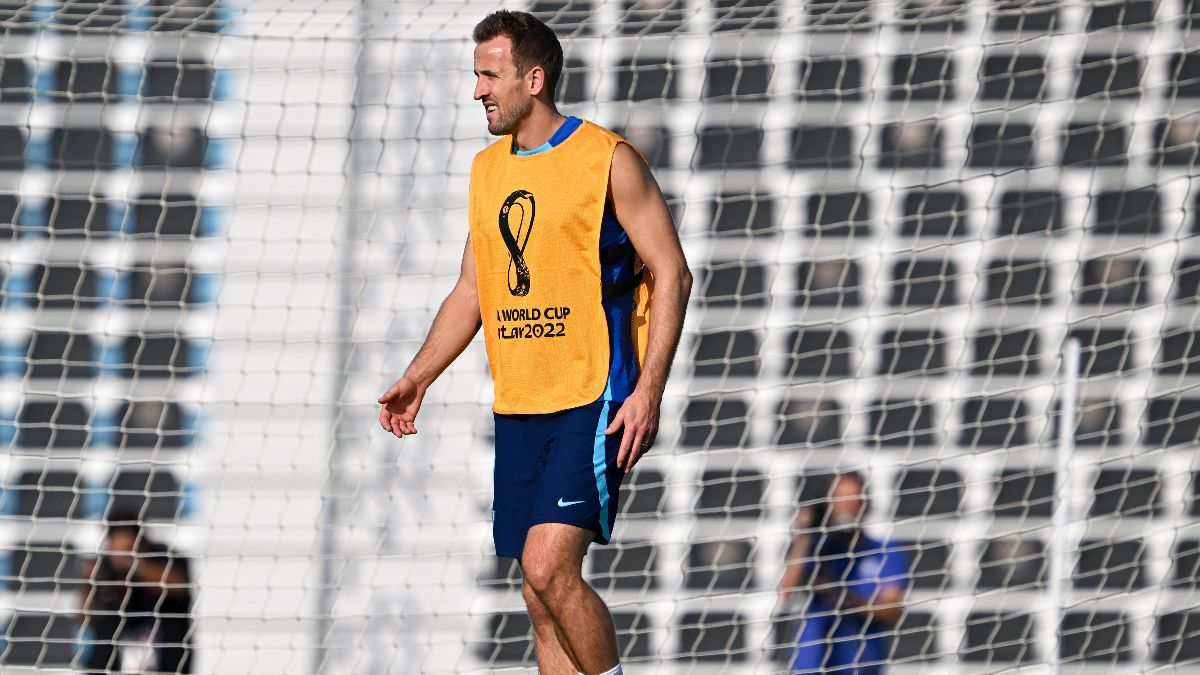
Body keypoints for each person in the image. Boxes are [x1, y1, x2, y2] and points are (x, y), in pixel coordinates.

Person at [377, 10, 691, 675]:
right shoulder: (488, 170)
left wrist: (648, 393)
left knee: (550, 568)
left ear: (534, 78)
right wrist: (419, 375)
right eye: (476, 76)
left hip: (593, 390)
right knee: (535, 588)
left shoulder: (608, 159)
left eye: (489, 75)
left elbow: (672, 271)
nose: (478, 90)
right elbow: (472, 289)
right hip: (521, 400)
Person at [778, 472, 909, 674]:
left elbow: (892, 609)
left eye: (852, 498)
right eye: (839, 499)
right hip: (812, 662)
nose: (846, 506)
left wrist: (843, 600)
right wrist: (806, 532)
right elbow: (786, 591)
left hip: (861, 662)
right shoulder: (818, 551)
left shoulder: (883, 551)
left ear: (865, 503)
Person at [78, 514, 193, 674]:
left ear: (141, 544)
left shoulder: (163, 557)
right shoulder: (103, 569)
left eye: (128, 548)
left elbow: (178, 585)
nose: (122, 556)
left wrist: (133, 565)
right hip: (113, 662)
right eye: (117, 550)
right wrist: (88, 584)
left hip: (167, 661)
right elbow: (85, 618)